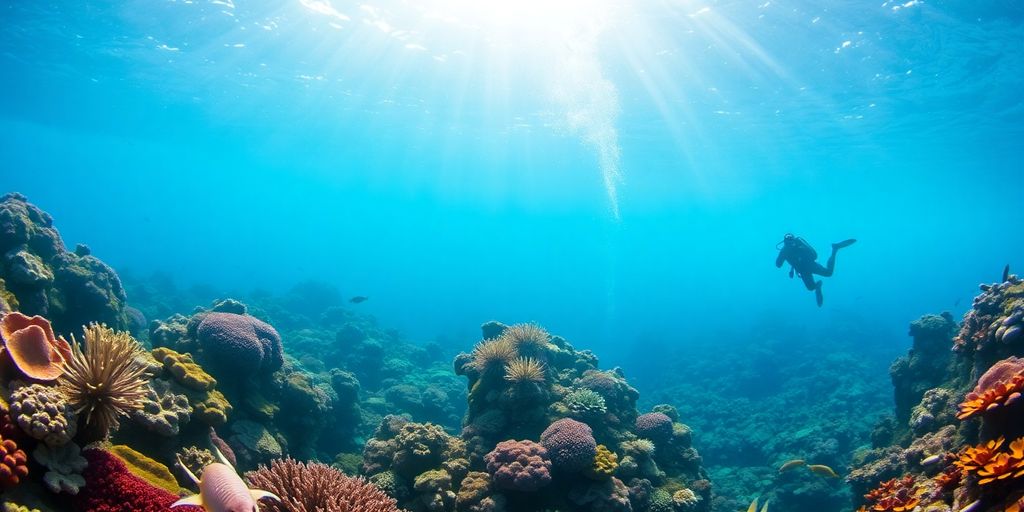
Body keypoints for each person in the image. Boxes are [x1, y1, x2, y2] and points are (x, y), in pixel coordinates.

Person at [775, 234, 856, 307]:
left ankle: (834, 249)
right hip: (803, 270)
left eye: (791, 242)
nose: (790, 244)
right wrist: (783, 253)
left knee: (828, 273)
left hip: (810, 265)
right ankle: (818, 286)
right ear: (785, 242)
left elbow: (814, 255)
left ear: (794, 240)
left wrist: (795, 249)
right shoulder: (784, 250)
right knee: (810, 288)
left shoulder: (799, 244)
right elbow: (778, 265)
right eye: (788, 243)